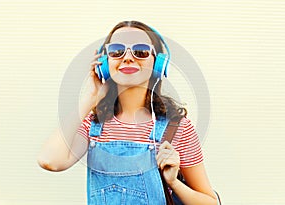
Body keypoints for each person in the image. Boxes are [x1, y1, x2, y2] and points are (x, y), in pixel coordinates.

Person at [38, 20, 219, 205]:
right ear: (105, 64)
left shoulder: (178, 128)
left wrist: (173, 182)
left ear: (158, 64)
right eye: (117, 51)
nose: (128, 57)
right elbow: (49, 160)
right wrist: (91, 97)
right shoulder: (93, 124)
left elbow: (211, 202)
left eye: (140, 51)